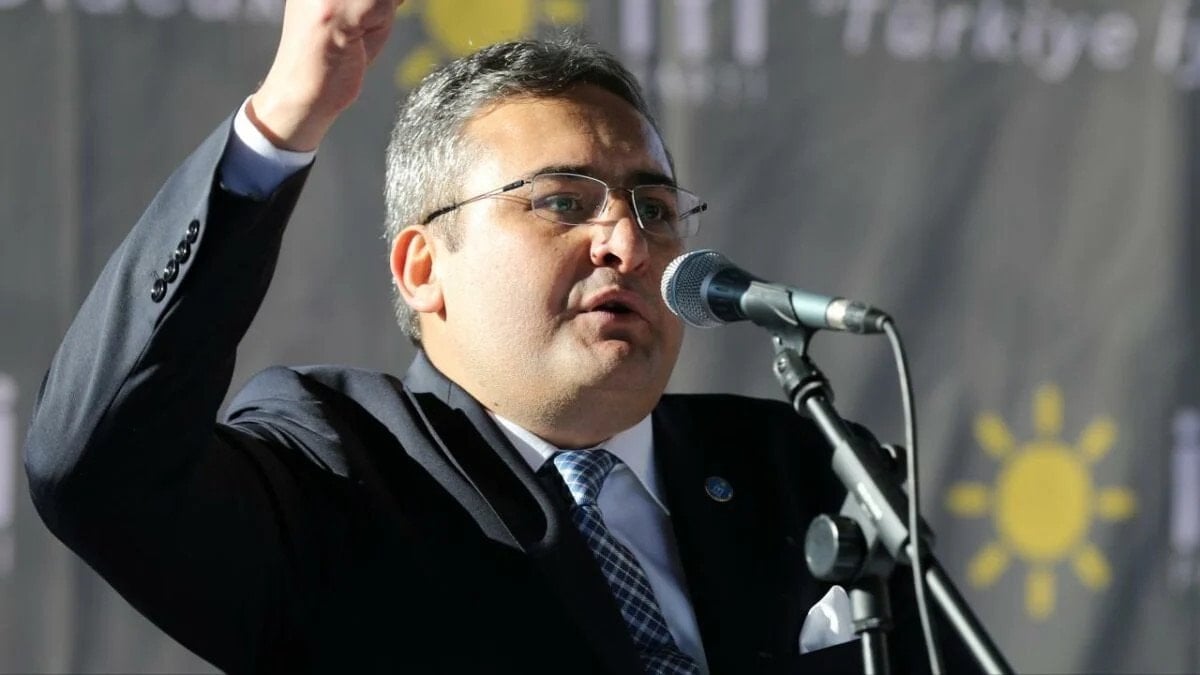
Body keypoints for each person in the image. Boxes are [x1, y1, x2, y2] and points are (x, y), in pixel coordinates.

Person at [24, 0, 973, 672]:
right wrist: (279, 125)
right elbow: (97, 465)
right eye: (563, 201)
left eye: (654, 207)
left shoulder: (802, 470)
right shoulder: (339, 471)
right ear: (422, 268)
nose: (627, 242)